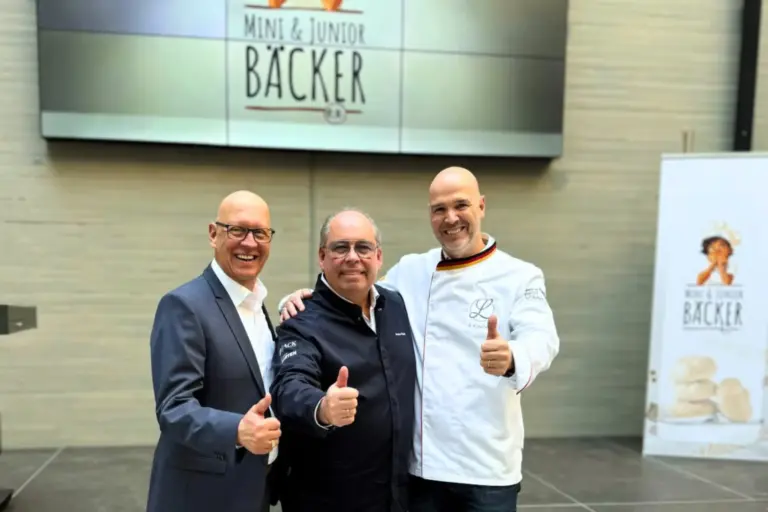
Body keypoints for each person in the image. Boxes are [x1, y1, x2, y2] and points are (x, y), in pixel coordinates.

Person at [279, 167, 560, 512]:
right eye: (439, 209)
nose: (451, 218)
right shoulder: (411, 271)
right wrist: (298, 300)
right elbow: (356, 285)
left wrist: (512, 356)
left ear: (482, 206)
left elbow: (542, 338)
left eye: (461, 205)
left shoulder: (520, 276)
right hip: (422, 468)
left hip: (486, 468)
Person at [270, 208, 417, 512]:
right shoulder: (300, 322)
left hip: (396, 495)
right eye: (340, 247)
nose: (353, 257)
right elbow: (289, 385)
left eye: (363, 247)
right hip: (327, 499)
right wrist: (322, 407)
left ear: (378, 257)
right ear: (322, 257)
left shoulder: (397, 307)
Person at [146, 190, 284, 512]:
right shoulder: (184, 305)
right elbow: (174, 408)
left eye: (260, 233)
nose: (249, 243)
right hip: (201, 495)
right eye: (237, 230)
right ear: (213, 234)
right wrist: (238, 430)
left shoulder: (258, 306)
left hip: (252, 489)